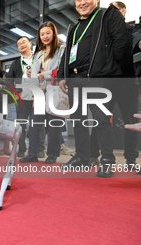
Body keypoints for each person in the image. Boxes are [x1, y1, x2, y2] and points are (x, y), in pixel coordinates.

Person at [58, 0, 129, 177]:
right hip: (75, 78)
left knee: (101, 119)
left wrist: (108, 71)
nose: (82, 3)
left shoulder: (108, 15)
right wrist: (62, 75)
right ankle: (82, 157)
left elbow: (121, 43)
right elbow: (67, 53)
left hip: (97, 78)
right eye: (78, 0)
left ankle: (107, 160)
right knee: (78, 121)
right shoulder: (73, 28)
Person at [89, 1, 139, 169]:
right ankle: (96, 156)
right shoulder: (100, 33)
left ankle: (131, 160)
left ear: (123, 11)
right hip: (105, 82)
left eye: (115, 11)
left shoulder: (133, 31)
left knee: (131, 121)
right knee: (100, 120)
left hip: (127, 82)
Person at [20, 21, 65, 164]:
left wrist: (43, 75)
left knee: (54, 125)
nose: (45, 36)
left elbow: (61, 70)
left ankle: (52, 154)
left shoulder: (61, 50)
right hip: (40, 93)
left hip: (55, 91)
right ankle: (32, 153)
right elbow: (33, 76)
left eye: (48, 33)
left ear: (54, 34)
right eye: (42, 34)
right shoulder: (38, 54)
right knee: (34, 125)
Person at [5, 36, 34, 157]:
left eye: (24, 42)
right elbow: (9, 81)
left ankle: (37, 149)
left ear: (30, 44)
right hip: (22, 98)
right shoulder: (16, 63)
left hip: (37, 96)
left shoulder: (38, 59)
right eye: (19, 44)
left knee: (38, 125)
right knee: (21, 125)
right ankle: (21, 148)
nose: (22, 45)